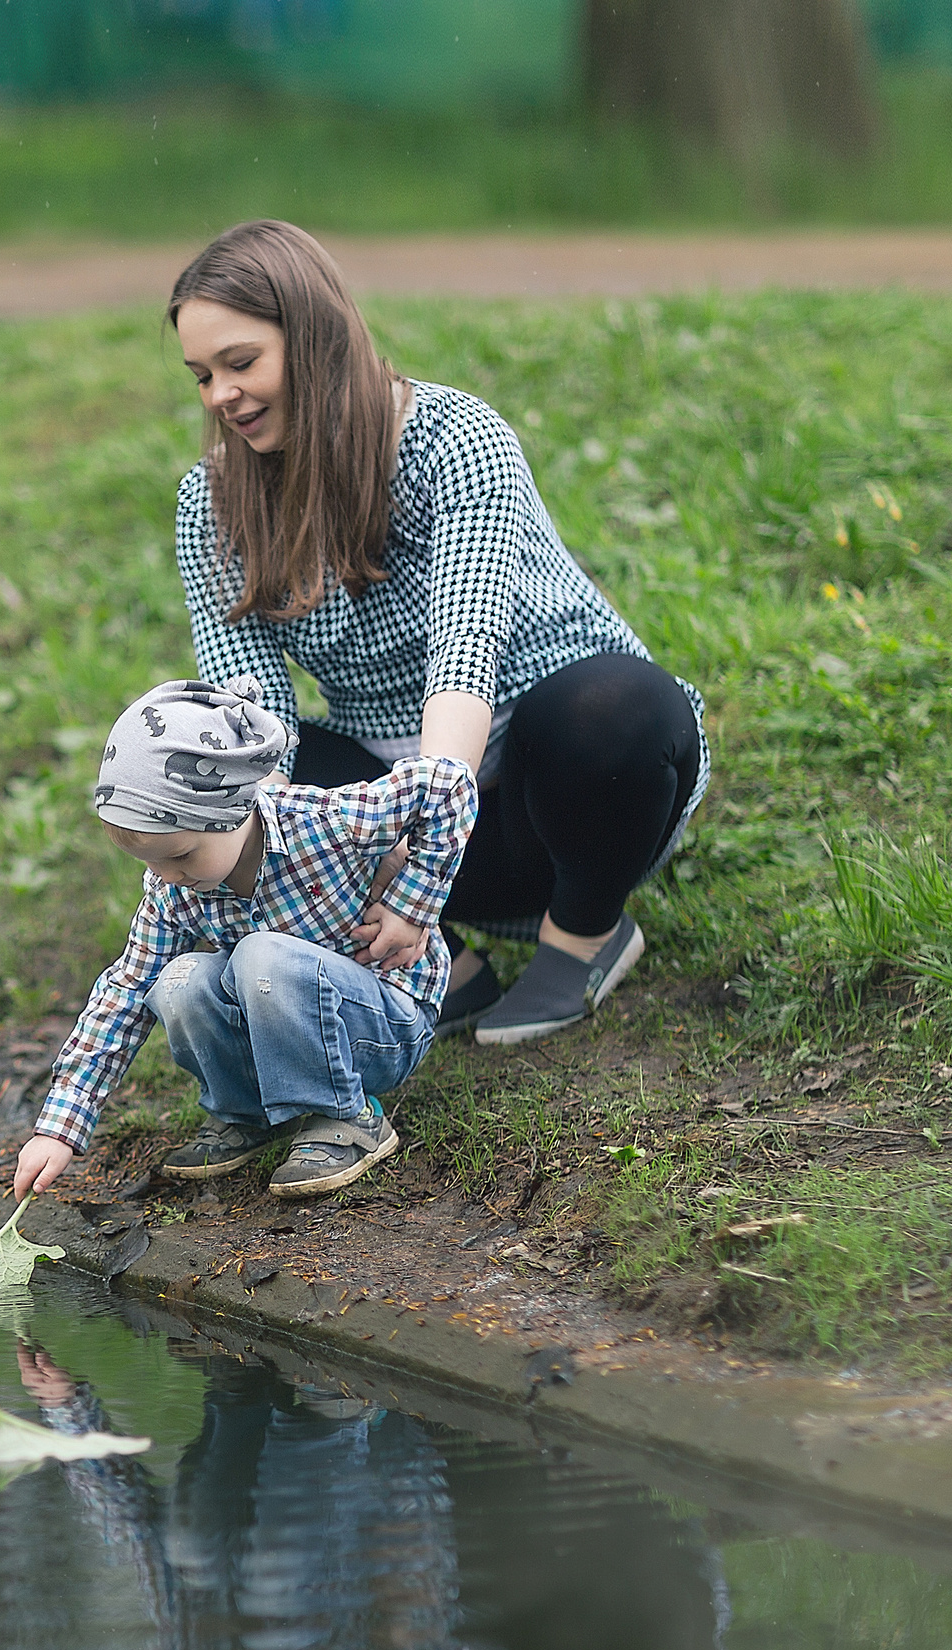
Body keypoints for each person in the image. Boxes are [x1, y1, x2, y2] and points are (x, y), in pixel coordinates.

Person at [168, 220, 708, 1044]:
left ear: (313, 337)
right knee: (242, 767)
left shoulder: (455, 439)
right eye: (202, 375)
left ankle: (582, 936)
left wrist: (424, 859)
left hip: (562, 792)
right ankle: (441, 966)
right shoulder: (211, 503)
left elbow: (465, 654)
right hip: (402, 820)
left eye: (241, 363)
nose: (220, 396)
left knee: (616, 706)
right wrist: (286, 849)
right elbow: (252, 710)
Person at [8, 674, 476, 1201]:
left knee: (260, 955)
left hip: (381, 1022)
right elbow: (125, 992)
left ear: (230, 812)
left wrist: (411, 908)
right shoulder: (174, 891)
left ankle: (347, 1116)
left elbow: (449, 785)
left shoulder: (323, 823)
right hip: (278, 1032)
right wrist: (60, 1126)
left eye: (180, 856)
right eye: (151, 862)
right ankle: (246, 1114)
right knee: (178, 980)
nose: (166, 876)